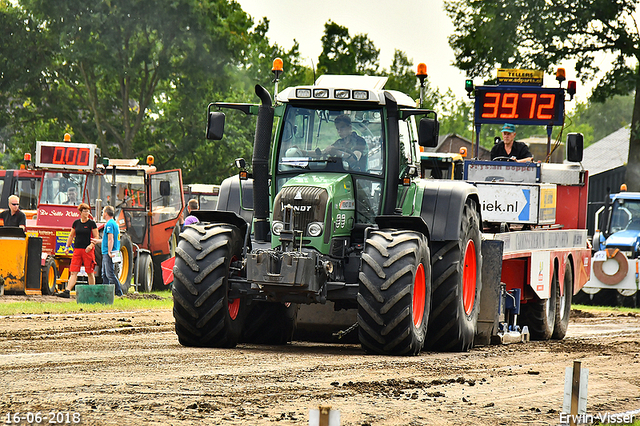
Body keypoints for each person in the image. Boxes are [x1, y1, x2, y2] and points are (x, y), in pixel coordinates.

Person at [56, 203, 98, 298]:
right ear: (80, 212)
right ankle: (67, 291)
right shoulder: (76, 223)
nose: (86, 213)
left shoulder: (91, 223)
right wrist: (67, 246)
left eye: (88, 211)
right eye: (85, 211)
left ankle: (92, 292)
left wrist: (91, 245)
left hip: (88, 250)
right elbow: (71, 235)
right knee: (74, 271)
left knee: (90, 271)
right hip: (77, 249)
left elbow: (96, 236)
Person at [91, 206, 123, 296]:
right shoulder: (114, 224)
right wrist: (98, 241)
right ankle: (105, 293)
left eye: (103, 212)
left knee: (109, 274)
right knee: (104, 274)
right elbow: (107, 239)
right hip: (113, 251)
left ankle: (119, 292)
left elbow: (110, 239)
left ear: (106, 213)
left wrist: (109, 251)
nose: (102, 214)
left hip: (109, 252)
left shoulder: (109, 224)